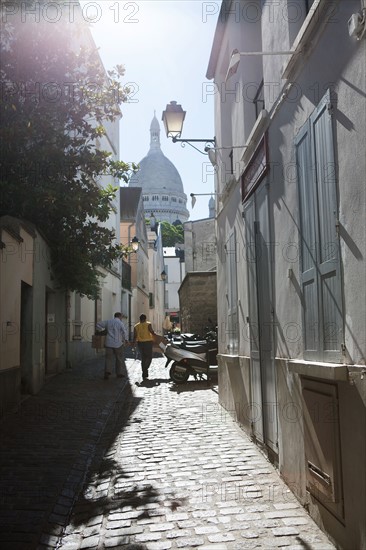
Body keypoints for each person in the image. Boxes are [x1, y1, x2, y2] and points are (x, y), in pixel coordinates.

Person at [96, 312, 128, 380]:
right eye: (121, 317)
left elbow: (98, 324)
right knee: (119, 359)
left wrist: (100, 331)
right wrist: (126, 340)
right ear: (120, 316)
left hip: (109, 343)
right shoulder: (120, 323)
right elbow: (124, 332)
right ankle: (118, 373)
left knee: (108, 358)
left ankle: (107, 372)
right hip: (118, 344)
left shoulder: (108, 321)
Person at [133, 314, 155, 380]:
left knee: (143, 358)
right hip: (148, 342)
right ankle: (145, 369)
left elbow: (135, 336)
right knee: (149, 357)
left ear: (140, 319)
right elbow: (151, 331)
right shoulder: (148, 324)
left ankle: (144, 372)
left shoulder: (136, 326)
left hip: (140, 343)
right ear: (145, 319)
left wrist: (134, 344)